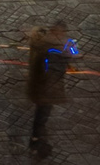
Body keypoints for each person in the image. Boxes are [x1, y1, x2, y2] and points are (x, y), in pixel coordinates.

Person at [22, 19, 72, 156]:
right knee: (41, 115)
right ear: (56, 32)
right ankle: (36, 141)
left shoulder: (42, 43)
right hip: (46, 90)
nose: (63, 36)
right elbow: (53, 71)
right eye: (62, 33)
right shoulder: (51, 51)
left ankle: (37, 138)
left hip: (40, 87)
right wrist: (66, 54)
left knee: (42, 113)